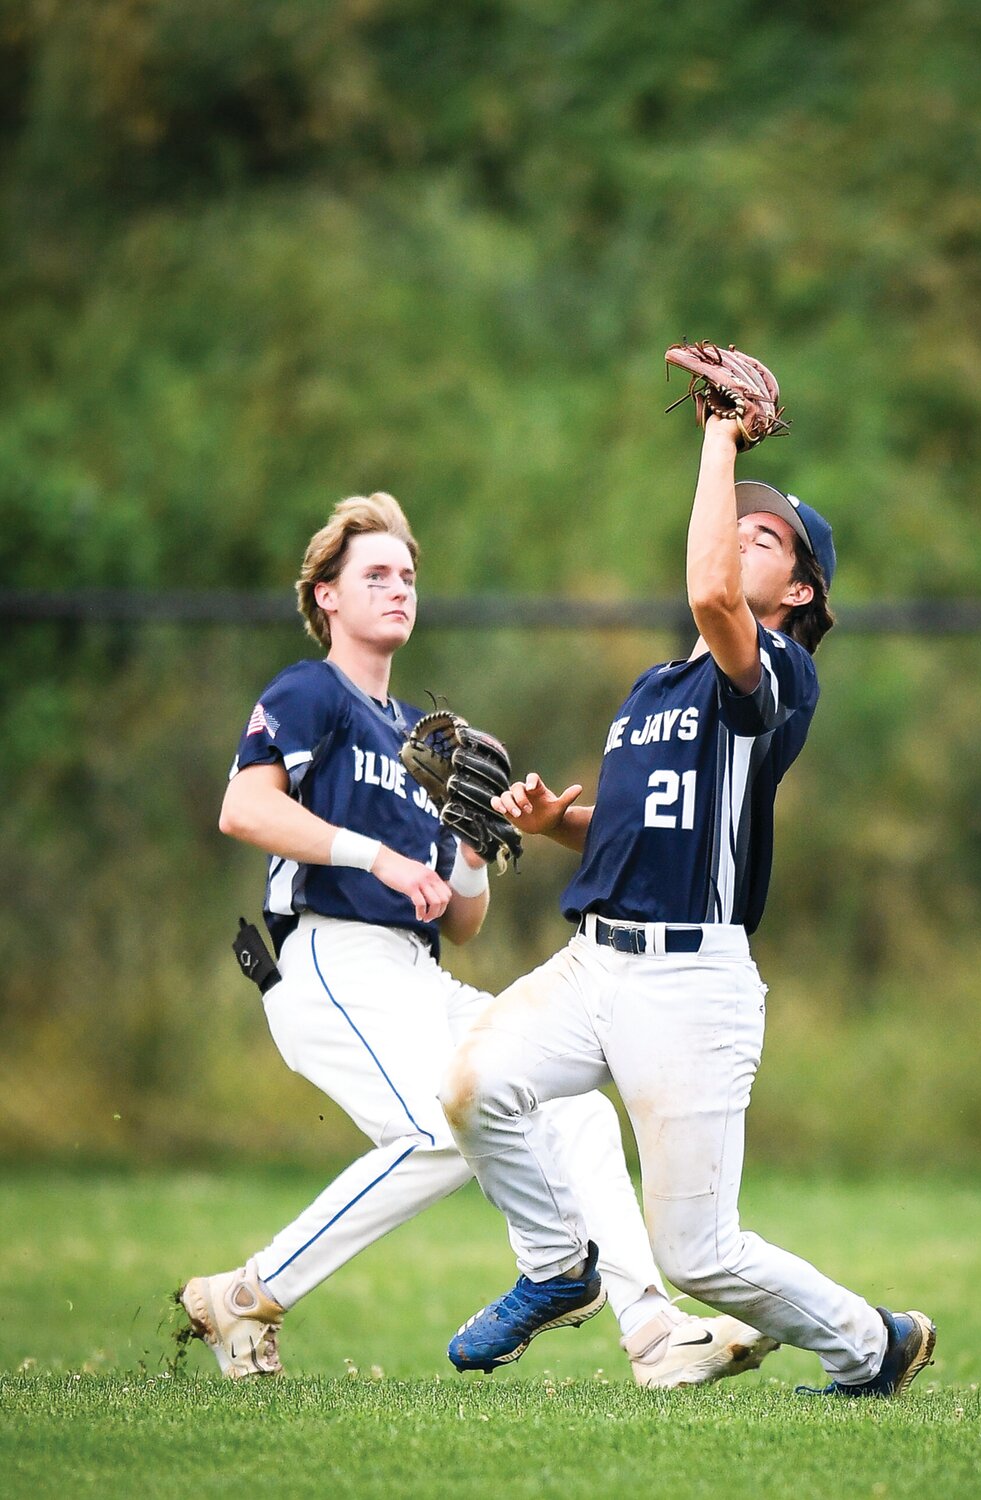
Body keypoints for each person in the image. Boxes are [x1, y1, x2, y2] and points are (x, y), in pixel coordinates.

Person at [177, 490, 778, 1389]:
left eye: (408, 576)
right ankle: (253, 1294)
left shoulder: (416, 740)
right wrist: (382, 858)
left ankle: (651, 1329)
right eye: (373, 574)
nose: (397, 588)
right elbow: (244, 808)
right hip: (327, 961)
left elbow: (460, 922)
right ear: (326, 597)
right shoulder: (310, 693)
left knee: (565, 1105)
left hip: (411, 973)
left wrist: (466, 848)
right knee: (433, 1132)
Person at [439, 417, 937, 1397]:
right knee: (472, 1085)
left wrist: (720, 441)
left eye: (766, 536)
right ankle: (560, 1269)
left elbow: (711, 593)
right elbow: (641, 823)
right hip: (595, 964)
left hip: (688, 984)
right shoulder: (655, 686)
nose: (738, 537)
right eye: (735, 524)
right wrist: (555, 824)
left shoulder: (778, 676)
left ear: (799, 590)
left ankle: (876, 1345)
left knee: (699, 1256)